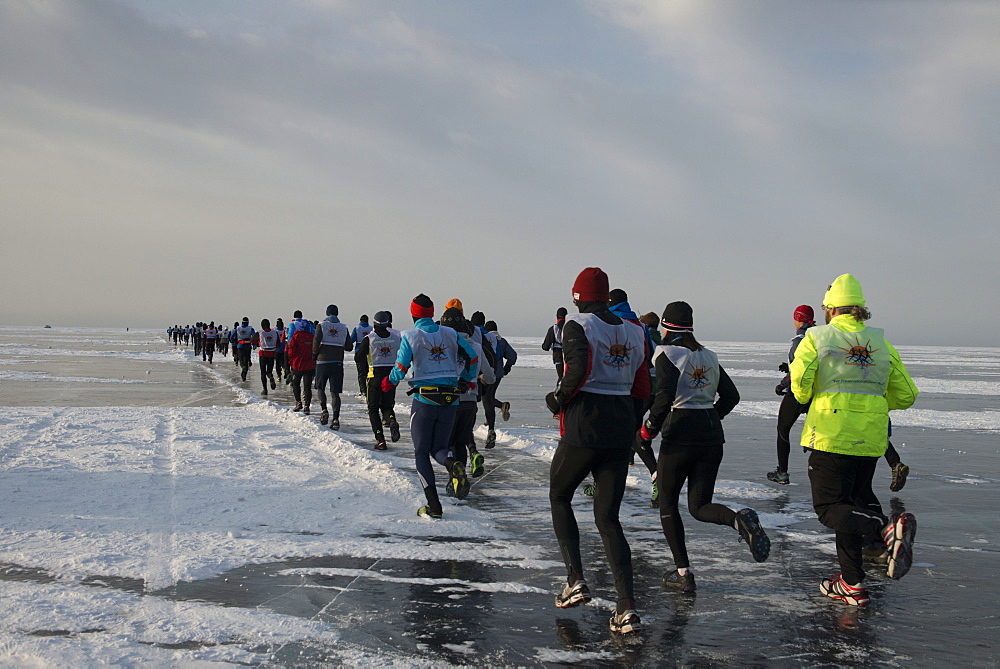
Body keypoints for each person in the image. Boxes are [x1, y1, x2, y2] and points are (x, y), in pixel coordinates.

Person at [790, 273, 919, 606]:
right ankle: (852, 583)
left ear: (831, 309)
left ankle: (884, 531)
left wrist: (820, 396)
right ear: (860, 309)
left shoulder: (817, 337)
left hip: (831, 435)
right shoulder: (881, 343)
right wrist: (869, 400)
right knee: (848, 506)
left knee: (829, 508)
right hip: (870, 438)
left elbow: (800, 382)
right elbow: (906, 394)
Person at [637, 301, 770, 595]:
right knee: (699, 506)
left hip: (680, 432)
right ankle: (739, 521)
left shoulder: (666, 353)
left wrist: (649, 429)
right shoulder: (708, 356)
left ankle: (683, 573)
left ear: (666, 327)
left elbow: (665, 394)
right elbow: (731, 395)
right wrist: (710, 416)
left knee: (668, 502)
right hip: (711, 435)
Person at [544, 267, 647, 635]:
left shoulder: (577, 324)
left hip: (585, 424)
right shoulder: (635, 330)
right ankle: (627, 607)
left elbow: (578, 371)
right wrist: (633, 427)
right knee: (608, 518)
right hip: (620, 427)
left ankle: (575, 579)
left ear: (577, 296)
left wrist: (557, 400)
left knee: (559, 495)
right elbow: (641, 384)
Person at [383, 294, 478, 520]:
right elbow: (472, 357)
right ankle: (452, 463)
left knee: (421, 452)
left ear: (413, 313)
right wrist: (467, 378)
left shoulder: (410, 336)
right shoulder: (451, 333)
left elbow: (401, 365)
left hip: (424, 401)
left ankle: (433, 506)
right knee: (439, 448)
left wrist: (389, 382)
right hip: (450, 400)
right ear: (433, 312)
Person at [442, 309, 495, 478]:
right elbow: (490, 376)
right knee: (461, 441)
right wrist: (480, 377)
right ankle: (462, 476)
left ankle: (456, 479)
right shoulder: (476, 346)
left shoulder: (444, 346)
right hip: (470, 400)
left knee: (448, 443)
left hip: (448, 400)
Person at [768, 305, 816, 485]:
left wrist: (782, 385)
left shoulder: (799, 340)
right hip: (816, 393)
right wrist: (788, 367)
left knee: (783, 429)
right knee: (819, 433)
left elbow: (799, 371)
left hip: (797, 392)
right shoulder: (817, 338)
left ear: (798, 319)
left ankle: (782, 473)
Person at [355, 311, 402, 449]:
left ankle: (380, 439)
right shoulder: (395, 337)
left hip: (374, 376)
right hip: (390, 377)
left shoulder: (369, 339)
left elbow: (358, 357)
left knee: (373, 409)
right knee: (387, 406)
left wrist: (363, 371)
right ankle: (392, 420)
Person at [313, 305, 352, 429]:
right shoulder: (344, 328)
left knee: (320, 388)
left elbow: (316, 341)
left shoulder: (321, 325)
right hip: (337, 363)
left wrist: (315, 354)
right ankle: (335, 419)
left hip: (322, 361)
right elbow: (349, 347)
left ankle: (324, 410)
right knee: (335, 393)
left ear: (327, 313)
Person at [285, 310, 317, 414]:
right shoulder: (312, 337)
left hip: (297, 364)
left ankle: (298, 402)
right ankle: (307, 405)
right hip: (309, 364)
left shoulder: (295, 337)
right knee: (307, 386)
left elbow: (291, 352)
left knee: (296, 384)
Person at [541, 307, 568, 380]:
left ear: (556, 315)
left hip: (558, 356)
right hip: (570, 355)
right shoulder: (571, 328)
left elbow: (545, 347)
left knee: (561, 378)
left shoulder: (553, 329)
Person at [351, 315, 374, 399]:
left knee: (361, 373)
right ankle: (370, 389)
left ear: (360, 321)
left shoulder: (357, 329)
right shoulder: (372, 329)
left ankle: (363, 391)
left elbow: (351, 340)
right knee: (369, 372)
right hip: (370, 354)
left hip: (359, 353)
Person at [256, 318, 280, 395]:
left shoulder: (260, 332)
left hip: (263, 353)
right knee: (269, 371)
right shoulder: (275, 332)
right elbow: (278, 343)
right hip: (272, 353)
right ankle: (271, 378)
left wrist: (258, 342)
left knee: (263, 372)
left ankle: (265, 389)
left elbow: (252, 340)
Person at [274, 317, 286, 383]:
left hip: (277, 350)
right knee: (284, 363)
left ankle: (279, 376)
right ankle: (285, 371)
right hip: (284, 349)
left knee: (277, 364)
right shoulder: (285, 330)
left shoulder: (275, 331)